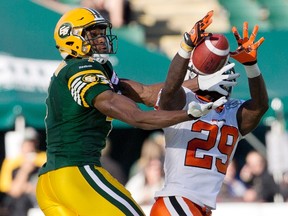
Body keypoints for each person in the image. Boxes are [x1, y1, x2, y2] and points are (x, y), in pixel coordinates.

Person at [35, 8, 223, 216]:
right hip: (76, 173)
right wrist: (189, 114)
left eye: (101, 33)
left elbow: (146, 93)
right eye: (93, 34)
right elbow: (138, 117)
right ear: (71, 37)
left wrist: (199, 82)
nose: (101, 39)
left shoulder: (91, 69)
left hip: (52, 181)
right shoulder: (82, 69)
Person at [147, 19, 268, 215]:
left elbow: (261, 106)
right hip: (178, 201)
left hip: (195, 207)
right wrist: (185, 48)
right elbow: (169, 90)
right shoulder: (184, 101)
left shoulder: (232, 112)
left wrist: (252, 65)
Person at [0, 128, 46, 216]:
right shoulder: (12, 162)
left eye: (32, 143)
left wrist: (32, 188)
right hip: (20, 203)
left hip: (41, 197)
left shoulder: (44, 159)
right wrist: (25, 170)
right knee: (18, 202)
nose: (30, 146)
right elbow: (13, 191)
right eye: (27, 143)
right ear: (21, 145)